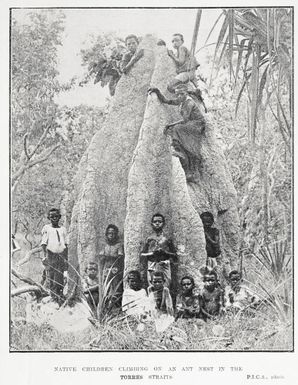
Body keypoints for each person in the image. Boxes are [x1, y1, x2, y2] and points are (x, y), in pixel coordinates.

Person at [148, 85, 206, 182]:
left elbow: (185, 119)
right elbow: (167, 101)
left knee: (176, 129)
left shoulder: (189, 103)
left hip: (197, 125)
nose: (179, 96)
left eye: (181, 94)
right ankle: (180, 151)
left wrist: (170, 125)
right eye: (177, 94)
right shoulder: (181, 101)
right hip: (190, 124)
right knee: (175, 130)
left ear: (186, 93)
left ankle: (180, 151)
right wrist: (157, 92)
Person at [141, 213, 177, 289]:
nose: (157, 223)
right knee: (152, 287)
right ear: (152, 224)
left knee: (166, 288)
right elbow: (142, 254)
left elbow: (174, 255)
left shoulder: (167, 239)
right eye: (155, 222)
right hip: (152, 265)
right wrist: (152, 253)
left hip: (164, 265)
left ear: (163, 223)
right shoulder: (149, 239)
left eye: (159, 222)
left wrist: (165, 252)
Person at [40, 208, 68, 304]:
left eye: (56, 216)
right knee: (51, 275)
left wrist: (66, 258)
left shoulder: (63, 229)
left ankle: (59, 295)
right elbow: (44, 243)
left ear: (59, 217)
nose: (54, 218)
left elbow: (66, 244)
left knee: (59, 276)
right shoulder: (47, 228)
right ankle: (53, 296)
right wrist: (45, 256)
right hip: (51, 255)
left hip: (61, 255)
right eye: (52, 217)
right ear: (49, 218)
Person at [97, 224, 124, 307]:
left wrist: (109, 256)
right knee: (105, 286)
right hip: (106, 268)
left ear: (116, 234)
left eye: (113, 233)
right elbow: (101, 256)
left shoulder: (119, 245)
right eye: (109, 233)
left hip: (115, 268)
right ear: (106, 234)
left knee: (116, 286)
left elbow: (120, 256)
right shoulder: (105, 245)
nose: (111, 235)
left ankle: (117, 305)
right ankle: (104, 305)